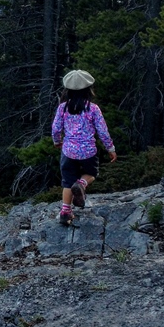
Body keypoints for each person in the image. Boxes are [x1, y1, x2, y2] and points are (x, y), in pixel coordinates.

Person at [51, 70, 117, 225]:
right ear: (88, 89)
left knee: (67, 181)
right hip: (88, 151)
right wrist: (111, 149)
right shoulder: (93, 108)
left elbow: (55, 128)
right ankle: (81, 184)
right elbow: (103, 131)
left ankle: (65, 212)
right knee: (91, 173)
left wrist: (56, 141)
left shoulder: (62, 108)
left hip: (69, 151)